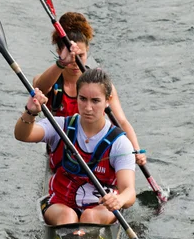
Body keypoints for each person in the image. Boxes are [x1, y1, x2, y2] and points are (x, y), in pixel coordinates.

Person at [15, 68, 136, 226]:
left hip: (100, 208)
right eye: (83, 99)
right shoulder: (60, 127)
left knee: (89, 217)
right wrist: (29, 112)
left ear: (108, 100)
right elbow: (22, 135)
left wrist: (119, 199)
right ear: (76, 97)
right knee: (67, 216)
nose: (88, 107)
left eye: (95, 101)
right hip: (60, 205)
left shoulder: (120, 143)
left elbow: (129, 192)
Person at [32, 11, 146, 166]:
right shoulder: (51, 81)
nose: (75, 62)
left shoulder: (101, 85)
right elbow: (38, 87)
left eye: (81, 55)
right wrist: (61, 63)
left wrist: (136, 150)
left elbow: (121, 121)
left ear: (87, 51)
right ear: (60, 52)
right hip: (61, 155)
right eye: (71, 56)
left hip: (94, 154)